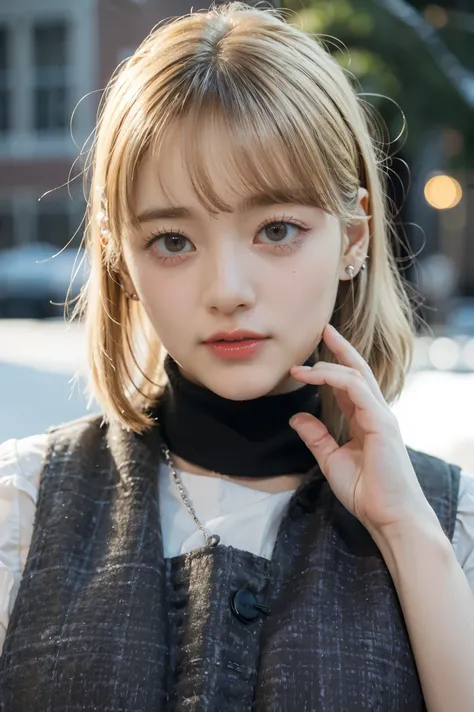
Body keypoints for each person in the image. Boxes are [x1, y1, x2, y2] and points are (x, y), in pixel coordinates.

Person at [0, 2, 473, 710]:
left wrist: (411, 535)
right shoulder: (24, 506)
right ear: (118, 254)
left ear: (352, 238)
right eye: (173, 240)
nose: (226, 291)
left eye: (277, 229)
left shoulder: (451, 523)